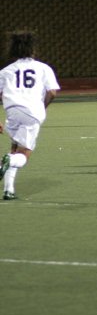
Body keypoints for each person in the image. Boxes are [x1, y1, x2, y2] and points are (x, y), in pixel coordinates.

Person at [0, 30, 60, 200]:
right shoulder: (43, 68)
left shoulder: (6, 71)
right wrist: (42, 107)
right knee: (23, 154)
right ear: (33, 49)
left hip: (12, 111)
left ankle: (8, 190)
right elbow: (52, 92)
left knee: (14, 148)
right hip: (32, 112)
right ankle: (7, 162)